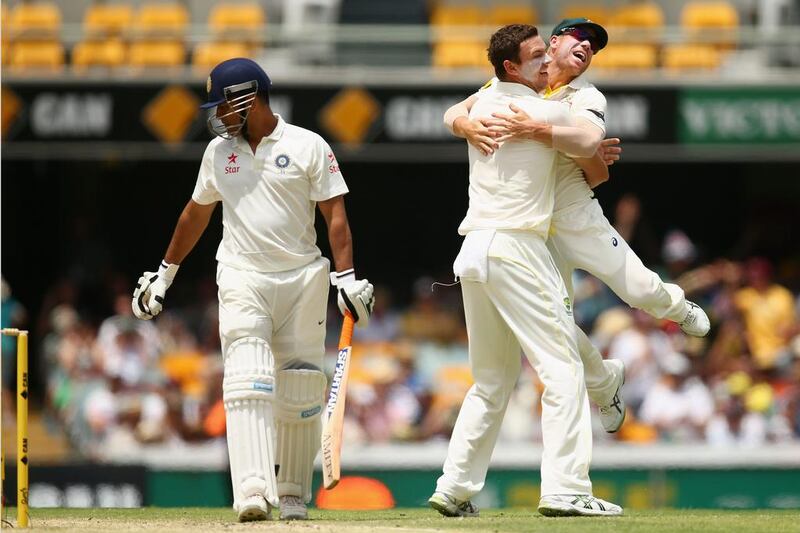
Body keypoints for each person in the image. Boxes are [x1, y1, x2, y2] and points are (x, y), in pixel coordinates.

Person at [131, 58, 374, 522]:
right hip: (242, 275)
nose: (218, 115)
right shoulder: (218, 153)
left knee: (300, 386)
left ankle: (292, 494)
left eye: (222, 104)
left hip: (303, 278)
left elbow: (334, 214)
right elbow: (196, 213)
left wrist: (346, 276)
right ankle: (252, 491)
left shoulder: (308, 145)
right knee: (247, 375)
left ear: (248, 97)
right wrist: (164, 273)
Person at [443, 17, 711, 436]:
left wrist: (544, 132)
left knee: (640, 290)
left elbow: (595, 168)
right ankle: (604, 384)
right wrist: (465, 125)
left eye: (596, 46)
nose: (588, 47)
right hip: (530, 229)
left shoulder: (586, 95)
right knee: (559, 326)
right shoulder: (518, 79)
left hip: (573, 214)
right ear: (553, 43)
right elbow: (457, 110)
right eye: (580, 37)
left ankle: (676, 307)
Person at [428, 24, 622, 519]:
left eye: (545, 54)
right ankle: (565, 487)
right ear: (512, 66)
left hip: (473, 250)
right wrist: (583, 142)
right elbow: (589, 137)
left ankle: (453, 487)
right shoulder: (548, 108)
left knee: (491, 380)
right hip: (517, 248)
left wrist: (460, 122)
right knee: (563, 370)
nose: (548, 66)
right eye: (537, 57)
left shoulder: (483, 103)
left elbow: (452, 112)